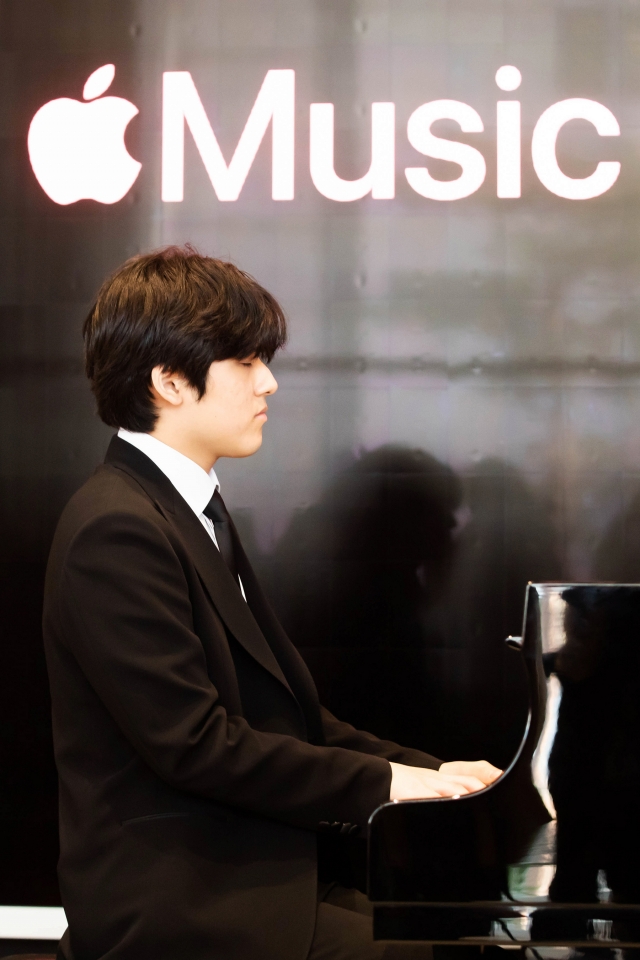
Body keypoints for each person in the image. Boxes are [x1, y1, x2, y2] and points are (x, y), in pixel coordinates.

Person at [43, 247, 501, 960]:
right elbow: (198, 746)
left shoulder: (190, 509)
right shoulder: (118, 527)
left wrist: (430, 774)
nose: (270, 383)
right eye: (248, 363)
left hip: (254, 877)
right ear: (169, 380)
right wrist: (391, 783)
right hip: (180, 903)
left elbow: (289, 718)